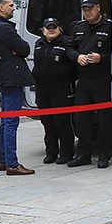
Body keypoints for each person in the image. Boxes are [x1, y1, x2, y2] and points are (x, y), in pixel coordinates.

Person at [0, 0, 35, 176]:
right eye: (11, 5)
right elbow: (24, 48)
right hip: (11, 78)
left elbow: (19, 49)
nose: (14, 8)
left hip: (5, 78)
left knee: (5, 120)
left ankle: (3, 160)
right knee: (11, 121)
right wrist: (17, 50)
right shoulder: (4, 28)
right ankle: (12, 164)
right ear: (1, 7)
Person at [66, 0, 112, 169]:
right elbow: (69, 48)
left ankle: (104, 154)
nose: (87, 12)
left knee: (104, 119)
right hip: (84, 80)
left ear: (98, 8)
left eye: (90, 8)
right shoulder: (78, 27)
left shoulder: (109, 27)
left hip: (102, 79)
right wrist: (77, 57)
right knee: (81, 119)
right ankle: (83, 154)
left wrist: (101, 58)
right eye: (85, 9)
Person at [32, 18, 77, 165]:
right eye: (48, 28)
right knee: (48, 123)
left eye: (54, 27)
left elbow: (74, 67)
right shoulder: (39, 44)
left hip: (61, 90)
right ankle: (51, 152)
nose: (51, 30)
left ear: (60, 28)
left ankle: (66, 153)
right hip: (43, 90)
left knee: (62, 123)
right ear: (43, 30)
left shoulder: (67, 43)